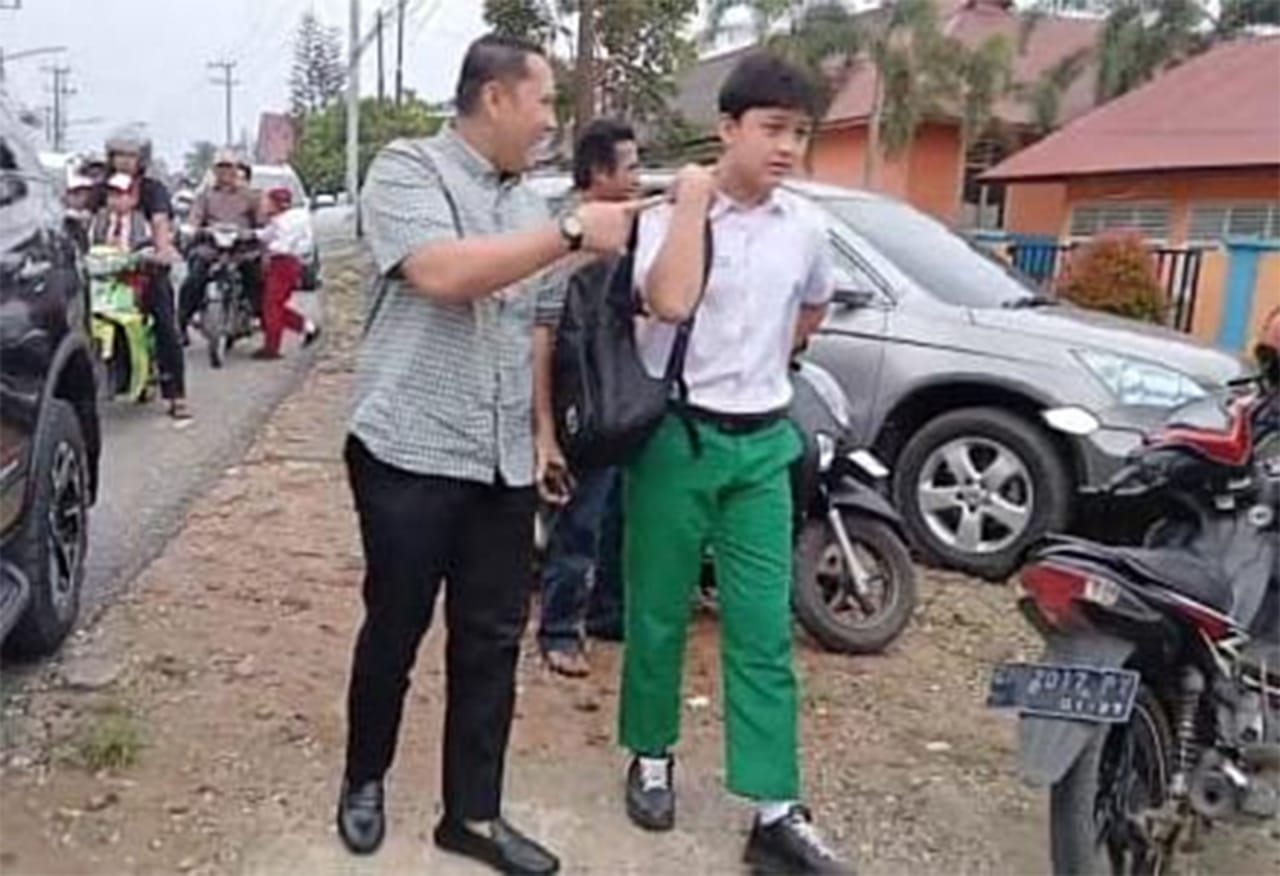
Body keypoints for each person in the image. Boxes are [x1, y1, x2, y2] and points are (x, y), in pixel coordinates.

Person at [337, 33, 640, 875]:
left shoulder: (529, 208)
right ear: (497, 97)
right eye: (544, 103)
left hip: (502, 462)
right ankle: (364, 780)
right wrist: (572, 230)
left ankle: (471, 813)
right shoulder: (408, 170)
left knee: (493, 641)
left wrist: (541, 433)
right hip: (410, 449)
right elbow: (443, 274)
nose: (550, 122)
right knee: (395, 627)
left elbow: (536, 328)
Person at [617, 52, 852, 874]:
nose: (787, 147)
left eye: (801, 133)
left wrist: (767, 363)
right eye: (773, 129)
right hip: (676, 440)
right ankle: (650, 755)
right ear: (728, 128)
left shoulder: (806, 227)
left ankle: (776, 807)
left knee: (762, 626)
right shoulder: (671, 214)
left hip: (762, 444)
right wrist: (692, 204)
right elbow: (668, 300)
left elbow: (814, 305)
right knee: (658, 610)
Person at [532, 118, 639, 678]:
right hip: (581, 405)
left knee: (616, 515)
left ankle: (607, 614)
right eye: (630, 167)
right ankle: (558, 629)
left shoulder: (630, 233)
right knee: (579, 519)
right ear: (598, 173)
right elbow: (543, 332)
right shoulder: (567, 241)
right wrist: (545, 428)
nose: (639, 177)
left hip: (620, 402)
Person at [95, 128, 190, 420]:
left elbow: (160, 221)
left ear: (142, 160)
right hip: (102, 268)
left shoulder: (152, 190)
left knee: (165, 324)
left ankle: (176, 394)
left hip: (143, 267)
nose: (124, 161)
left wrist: (161, 251)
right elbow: (82, 217)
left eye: (131, 156)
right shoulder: (99, 187)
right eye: (119, 155)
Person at [178, 149, 264, 338]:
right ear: (214, 170)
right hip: (211, 247)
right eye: (220, 167)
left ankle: (257, 314)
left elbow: (261, 221)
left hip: (241, 249)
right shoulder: (205, 195)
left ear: (236, 169)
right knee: (194, 276)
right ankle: (182, 322)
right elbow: (195, 218)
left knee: (255, 274)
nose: (225, 172)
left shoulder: (250, 195)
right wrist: (193, 229)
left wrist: (254, 233)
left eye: (229, 167)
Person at [254, 186, 321, 360]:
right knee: (273, 305)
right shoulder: (282, 220)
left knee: (272, 306)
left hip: (283, 264)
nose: (264, 205)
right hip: (285, 264)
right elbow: (265, 235)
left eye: (268, 202)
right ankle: (307, 327)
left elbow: (281, 245)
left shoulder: (285, 222)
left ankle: (272, 347)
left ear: (277, 204)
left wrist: (268, 247)